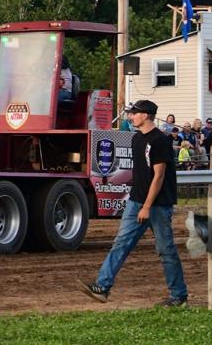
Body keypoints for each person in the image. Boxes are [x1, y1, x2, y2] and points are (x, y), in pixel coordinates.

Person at [77, 99, 187, 308]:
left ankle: (178, 295)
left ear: (145, 115)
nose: (130, 116)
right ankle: (102, 287)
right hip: (136, 201)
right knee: (121, 243)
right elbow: (142, 175)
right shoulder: (136, 139)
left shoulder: (160, 140)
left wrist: (146, 206)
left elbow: (159, 176)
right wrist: (136, 200)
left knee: (166, 250)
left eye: (134, 113)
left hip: (158, 205)